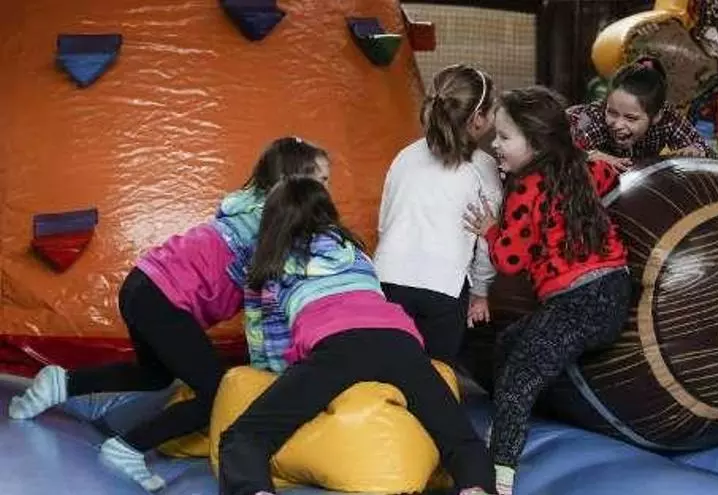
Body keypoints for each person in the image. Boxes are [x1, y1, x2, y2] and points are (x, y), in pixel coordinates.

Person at [8, 137, 330, 492]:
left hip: (142, 283)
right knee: (216, 392)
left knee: (155, 375)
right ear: (295, 181)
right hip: (161, 296)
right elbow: (263, 307)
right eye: (321, 180)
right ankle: (128, 448)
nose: (326, 191)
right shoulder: (273, 222)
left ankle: (62, 383)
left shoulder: (246, 205)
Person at [218, 176, 496, 495]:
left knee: (244, 436)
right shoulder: (355, 253)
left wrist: (286, 384)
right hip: (400, 342)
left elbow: (270, 341)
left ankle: (255, 490)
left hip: (337, 347)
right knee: (461, 439)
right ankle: (476, 488)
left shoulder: (272, 265)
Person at [464, 86, 631, 495]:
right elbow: (610, 176)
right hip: (615, 292)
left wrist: (491, 229)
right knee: (509, 341)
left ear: (537, 143)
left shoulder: (526, 187)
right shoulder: (582, 168)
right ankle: (512, 419)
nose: (495, 144)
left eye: (505, 137)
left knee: (518, 379)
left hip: (575, 304)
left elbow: (510, 260)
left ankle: (499, 473)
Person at [374, 63, 503, 364]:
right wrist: (480, 291)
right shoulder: (483, 167)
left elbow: (384, 222)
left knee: (388, 369)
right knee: (434, 373)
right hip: (443, 286)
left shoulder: (405, 155)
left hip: (387, 277)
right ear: (478, 118)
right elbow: (487, 238)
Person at [567, 57, 716, 171]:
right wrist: (591, 154)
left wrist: (696, 151)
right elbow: (562, 137)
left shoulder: (668, 119)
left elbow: (707, 153)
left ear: (656, 116)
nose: (618, 125)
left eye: (630, 118)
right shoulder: (593, 116)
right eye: (612, 113)